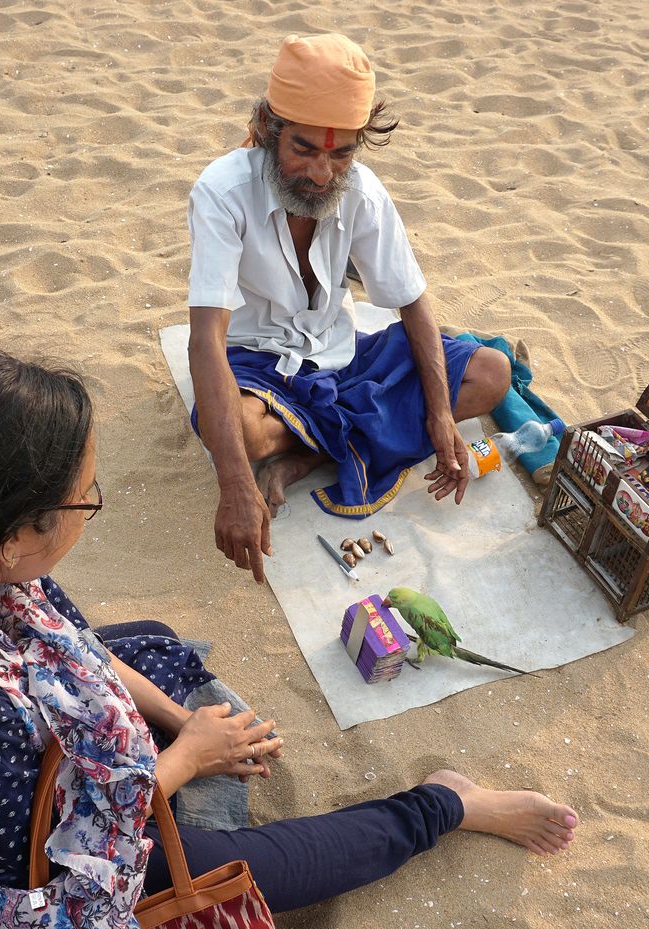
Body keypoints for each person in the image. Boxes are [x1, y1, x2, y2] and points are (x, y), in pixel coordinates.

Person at [0, 349, 578, 929]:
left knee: (144, 642)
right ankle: (443, 805)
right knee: (246, 870)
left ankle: (190, 758)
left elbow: (69, 647)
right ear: (14, 538)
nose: (91, 506)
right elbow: (57, 865)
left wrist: (183, 723)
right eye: (85, 497)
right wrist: (186, 760)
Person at [187, 33, 513, 583]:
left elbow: (412, 304)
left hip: (340, 353)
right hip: (258, 360)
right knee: (240, 436)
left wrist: (438, 418)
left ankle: (310, 455)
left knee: (491, 373)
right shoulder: (221, 192)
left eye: (341, 153)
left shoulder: (360, 191)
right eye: (305, 149)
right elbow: (205, 341)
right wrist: (235, 487)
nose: (322, 174)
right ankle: (341, 437)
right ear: (269, 131)